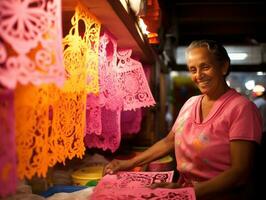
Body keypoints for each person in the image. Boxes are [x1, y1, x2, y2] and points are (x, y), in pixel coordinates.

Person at [103, 40, 262, 200]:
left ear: (223, 67)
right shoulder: (190, 103)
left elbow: (240, 172)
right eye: (193, 69)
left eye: (205, 67)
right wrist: (129, 163)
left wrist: (186, 193)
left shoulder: (242, 108)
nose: (198, 75)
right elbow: (168, 142)